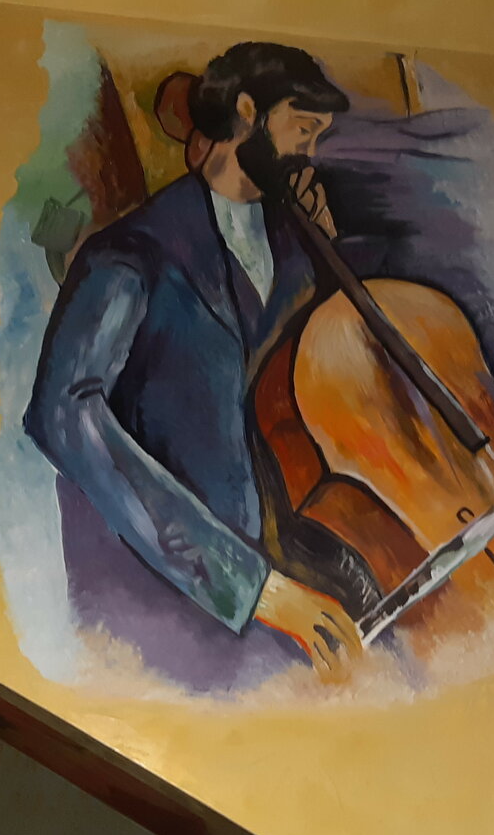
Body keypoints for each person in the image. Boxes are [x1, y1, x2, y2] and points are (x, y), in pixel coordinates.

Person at [25, 43, 378, 688]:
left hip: (296, 596)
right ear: (246, 111)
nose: (311, 152)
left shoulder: (298, 250)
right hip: (167, 617)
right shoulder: (129, 252)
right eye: (303, 129)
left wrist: (327, 262)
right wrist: (253, 588)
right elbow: (63, 414)